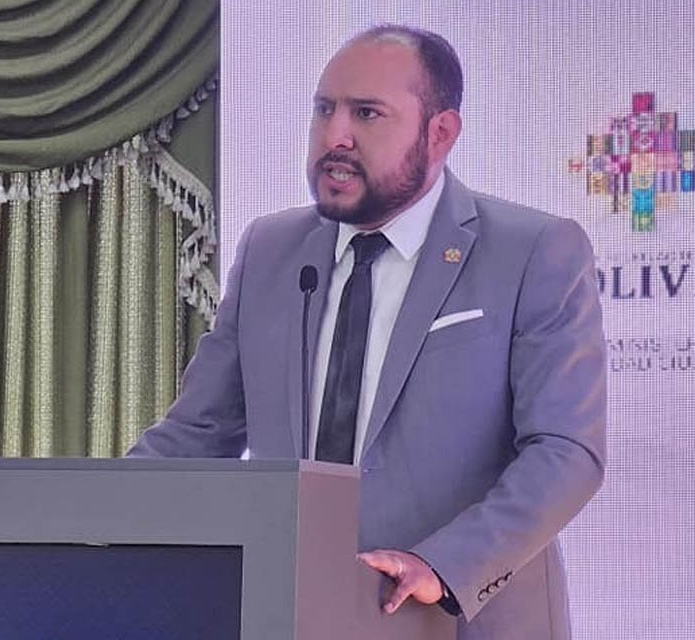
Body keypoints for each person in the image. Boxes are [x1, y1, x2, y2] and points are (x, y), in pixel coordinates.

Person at [127, 24, 606, 640]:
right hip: (292, 612)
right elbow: (199, 432)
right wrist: (102, 514)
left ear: (441, 133)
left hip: (459, 621)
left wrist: (443, 564)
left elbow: (567, 453)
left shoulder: (533, 251)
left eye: (367, 113)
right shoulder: (272, 250)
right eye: (324, 110)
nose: (335, 137)